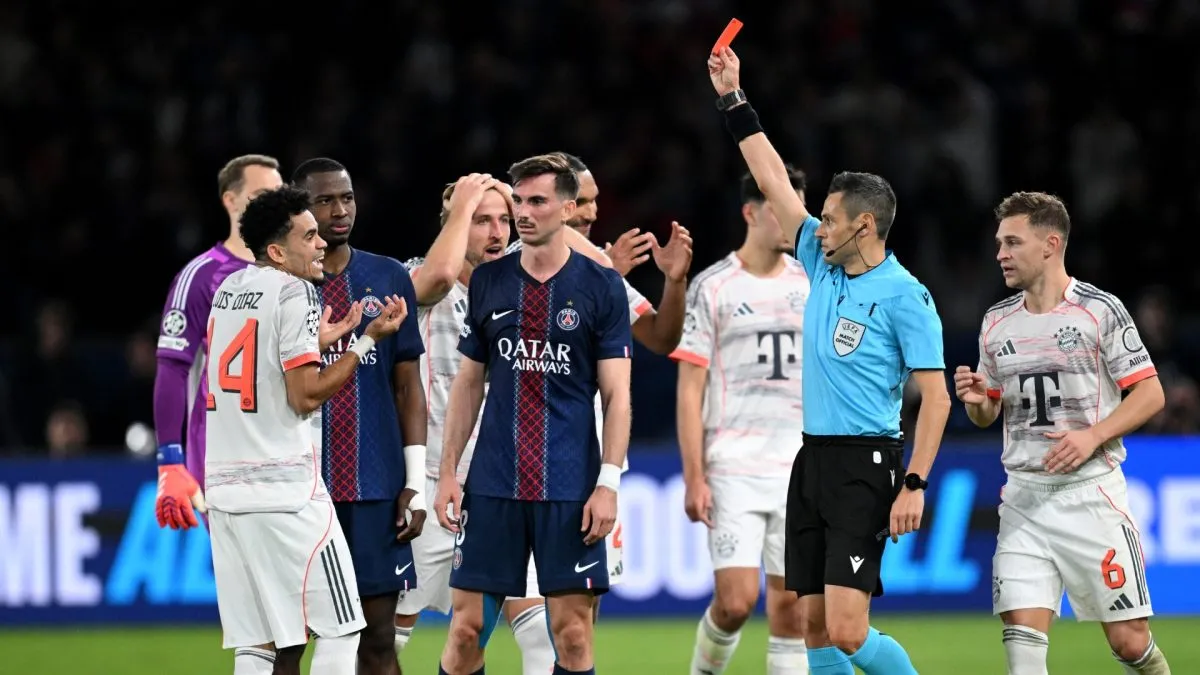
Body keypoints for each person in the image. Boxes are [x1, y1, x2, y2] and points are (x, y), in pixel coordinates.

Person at [707, 47, 952, 675]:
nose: (815, 228)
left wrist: (915, 483)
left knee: (847, 630)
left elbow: (938, 397)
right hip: (810, 459)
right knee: (812, 629)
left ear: (863, 226)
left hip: (865, 465)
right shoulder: (823, 262)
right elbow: (770, 178)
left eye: (830, 220)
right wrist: (734, 99)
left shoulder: (906, 296)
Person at [954, 191, 1170, 675]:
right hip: (1025, 502)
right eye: (998, 243)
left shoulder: (1099, 310)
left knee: (1130, 643)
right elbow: (990, 413)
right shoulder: (995, 322)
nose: (1000, 254)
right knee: (1023, 648)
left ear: (1051, 244)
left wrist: (1093, 435)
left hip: (1091, 496)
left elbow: (1150, 394)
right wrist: (977, 403)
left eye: (1013, 242)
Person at [433, 153, 633, 675]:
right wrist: (450, 471)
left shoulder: (601, 286)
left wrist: (608, 482)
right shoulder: (489, 281)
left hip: (569, 486)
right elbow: (470, 382)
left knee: (571, 635)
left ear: (568, 208)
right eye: (517, 200)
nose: (522, 212)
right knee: (465, 632)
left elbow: (617, 397)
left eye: (537, 201)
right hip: (493, 482)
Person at [205, 184, 409, 675]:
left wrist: (323, 337)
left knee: (258, 643)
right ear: (278, 251)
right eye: (309, 235)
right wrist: (364, 342)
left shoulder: (229, 289)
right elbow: (305, 394)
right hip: (287, 494)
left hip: (227, 495)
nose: (321, 244)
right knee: (342, 629)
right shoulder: (297, 290)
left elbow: (257, 358)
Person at [395, 174, 583, 675]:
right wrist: (462, 207)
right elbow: (436, 277)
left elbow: (597, 269)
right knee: (384, 641)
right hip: (428, 486)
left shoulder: (525, 285)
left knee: (531, 635)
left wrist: (541, 212)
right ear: (455, 225)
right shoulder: (419, 277)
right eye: (482, 221)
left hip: (503, 487)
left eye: (506, 219)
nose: (498, 232)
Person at [507, 151, 693, 618]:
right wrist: (602, 274)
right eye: (582, 201)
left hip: (589, 464)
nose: (591, 211)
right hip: (514, 464)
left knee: (580, 615)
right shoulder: (510, 267)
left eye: (593, 201)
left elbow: (661, 337)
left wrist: (675, 282)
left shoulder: (605, 274)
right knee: (507, 616)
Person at [672, 169, 811, 675]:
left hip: (799, 468)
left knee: (792, 608)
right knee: (734, 602)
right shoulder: (714, 287)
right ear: (750, 212)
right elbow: (690, 389)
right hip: (733, 465)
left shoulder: (812, 283)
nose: (796, 220)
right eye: (781, 205)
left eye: (800, 206)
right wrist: (694, 476)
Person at [292, 157, 428, 675]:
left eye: (346, 197)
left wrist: (413, 482)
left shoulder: (387, 276)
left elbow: (407, 387)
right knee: (292, 642)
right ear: (300, 208)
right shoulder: (284, 284)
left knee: (376, 642)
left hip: (374, 487)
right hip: (302, 491)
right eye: (324, 200)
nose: (340, 209)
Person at [153, 154, 282, 535]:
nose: (273, 204)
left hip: (291, 458)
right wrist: (170, 462)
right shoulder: (202, 276)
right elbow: (172, 368)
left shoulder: (298, 273)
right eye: (262, 194)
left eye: (279, 195)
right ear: (230, 200)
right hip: (225, 461)